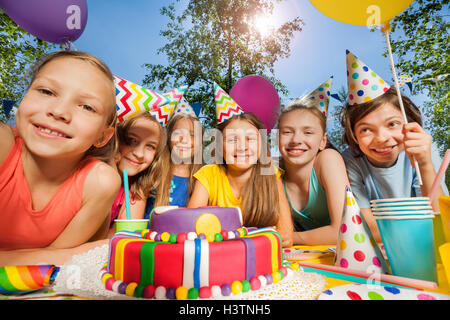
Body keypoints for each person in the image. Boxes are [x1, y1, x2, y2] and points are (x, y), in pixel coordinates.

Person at [0, 50, 120, 266]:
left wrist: (58, 257)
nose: (59, 111)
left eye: (87, 107)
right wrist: (60, 256)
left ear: (102, 136)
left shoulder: (100, 182)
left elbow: (50, 268)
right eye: (46, 91)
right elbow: (59, 257)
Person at [340, 50, 448, 241]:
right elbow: (365, 226)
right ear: (353, 136)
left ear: (408, 121)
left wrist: (424, 164)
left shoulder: (423, 147)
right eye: (366, 130)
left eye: (392, 124)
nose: (382, 138)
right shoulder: (351, 160)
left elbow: (442, 223)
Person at [188, 83, 293, 247]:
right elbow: (190, 227)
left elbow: (286, 237)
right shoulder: (207, 175)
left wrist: (226, 237)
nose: (242, 147)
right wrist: (259, 236)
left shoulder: (270, 173)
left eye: (250, 138)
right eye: (232, 139)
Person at [278, 98, 349, 245]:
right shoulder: (275, 176)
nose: (296, 139)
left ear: (323, 141)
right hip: (308, 257)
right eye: (287, 132)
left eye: (308, 132)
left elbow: (345, 230)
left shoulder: (328, 159)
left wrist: (290, 237)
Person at [108, 112, 170, 236]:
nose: (140, 154)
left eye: (150, 146)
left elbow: (124, 236)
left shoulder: (137, 186)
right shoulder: (93, 174)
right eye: (131, 140)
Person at [145, 100, 203, 218]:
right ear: (168, 138)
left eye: (192, 135)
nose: (184, 140)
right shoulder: (154, 171)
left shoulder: (203, 179)